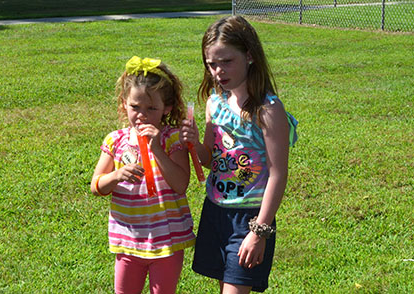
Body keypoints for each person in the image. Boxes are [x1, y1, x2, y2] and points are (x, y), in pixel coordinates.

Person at [180, 16, 298, 293]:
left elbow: (278, 174)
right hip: (215, 211)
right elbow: (210, 160)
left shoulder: (268, 110)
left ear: (250, 56)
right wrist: (195, 144)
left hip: (251, 218)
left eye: (226, 61)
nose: (218, 71)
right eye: (212, 64)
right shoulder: (214, 103)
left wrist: (259, 232)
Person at [91, 56, 196, 294]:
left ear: (166, 108)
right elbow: (96, 185)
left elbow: (181, 184)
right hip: (128, 242)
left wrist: (156, 148)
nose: (142, 115)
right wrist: (117, 175)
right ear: (123, 104)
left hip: (167, 242)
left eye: (151, 109)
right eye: (135, 107)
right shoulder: (115, 141)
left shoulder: (172, 139)